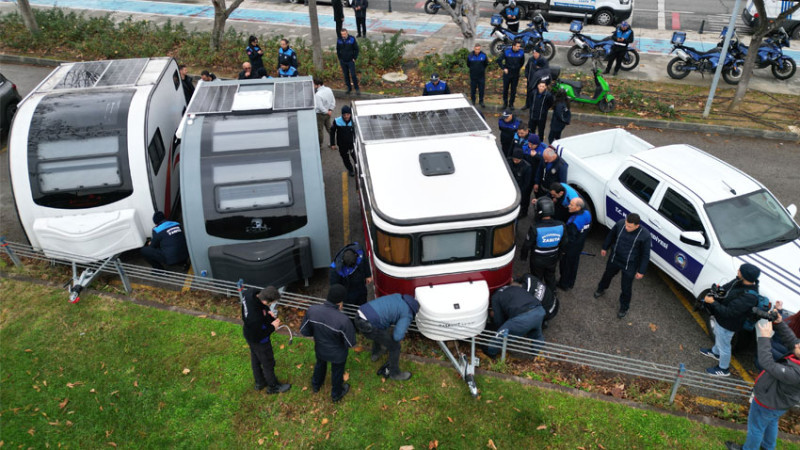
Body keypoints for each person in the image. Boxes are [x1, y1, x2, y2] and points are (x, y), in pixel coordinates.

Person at [724, 307, 800, 450]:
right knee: (771, 422)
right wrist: (780, 323)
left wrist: (764, 338)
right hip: (780, 402)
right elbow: (793, 342)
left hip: (768, 401)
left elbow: (767, 363)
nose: (798, 344)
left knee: (756, 427)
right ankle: (768, 447)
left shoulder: (796, 373)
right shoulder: (798, 353)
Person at [699, 264, 761, 377]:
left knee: (725, 346)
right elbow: (726, 290)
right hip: (721, 320)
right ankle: (715, 352)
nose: (738, 271)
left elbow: (729, 313)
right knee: (719, 337)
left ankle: (723, 368)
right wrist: (717, 292)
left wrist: (712, 302)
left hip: (728, 324)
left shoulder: (749, 297)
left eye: (740, 271)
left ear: (745, 276)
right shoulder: (739, 281)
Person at [301, 285, 356, 402]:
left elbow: (304, 331)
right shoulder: (344, 320)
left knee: (320, 365)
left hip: (320, 348)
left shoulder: (312, 310)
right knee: (337, 372)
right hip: (338, 354)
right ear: (340, 303)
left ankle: (316, 385)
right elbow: (350, 343)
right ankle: (336, 394)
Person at [593, 213, 651, 319]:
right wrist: (605, 247)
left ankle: (624, 307)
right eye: (626, 224)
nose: (627, 228)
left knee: (626, 287)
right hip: (615, 258)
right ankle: (601, 289)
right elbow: (611, 235)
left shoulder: (645, 235)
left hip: (630, 265)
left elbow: (645, 255)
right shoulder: (620, 224)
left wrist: (641, 271)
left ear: (637, 226)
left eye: (630, 226)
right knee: (607, 275)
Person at [355, 293, 420, 381]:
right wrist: (402, 332)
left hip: (360, 314)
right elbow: (397, 336)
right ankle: (395, 374)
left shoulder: (398, 297)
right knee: (395, 346)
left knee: (380, 332)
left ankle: (376, 353)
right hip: (369, 325)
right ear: (413, 311)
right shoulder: (407, 313)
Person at [241, 286, 292, 394]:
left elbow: (260, 308)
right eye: (270, 303)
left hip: (248, 333)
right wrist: (273, 326)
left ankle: (260, 382)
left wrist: (267, 311)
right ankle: (273, 387)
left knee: (255, 358)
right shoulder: (255, 317)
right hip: (259, 340)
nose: (270, 305)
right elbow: (260, 334)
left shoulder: (250, 293)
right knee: (268, 362)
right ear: (265, 300)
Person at [484, 281, 546, 357]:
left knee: (500, 334)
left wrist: (500, 328)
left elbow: (498, 319)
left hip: (524, 317)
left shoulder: (495, 297)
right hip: (539, 311)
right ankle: (538, 355)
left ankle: (491, 354)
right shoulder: (514, 287)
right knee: (536, 334)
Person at [520, 197, 566, 292]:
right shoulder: (561, 225)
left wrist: (523, 256)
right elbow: (564, 243)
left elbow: (527, 244)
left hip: (537, 260)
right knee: (550, 276)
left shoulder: (535, 228)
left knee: (537, 279)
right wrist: (559, 255)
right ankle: (552, 293)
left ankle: (538, 296)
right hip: (552, 258)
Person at [558, 197, 591, 291]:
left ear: (578, 207)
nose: (569, 206)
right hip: (580, 245)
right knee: (574, 265)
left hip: (571, 248)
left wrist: (563, 250)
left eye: (571, 205)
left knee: (565, 266)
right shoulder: (587, 214)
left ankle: (563, 284)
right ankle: (570, 283)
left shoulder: (574, 222)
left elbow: (569, 238)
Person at [496, 40, 525, 110]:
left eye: (519, 46)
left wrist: (517, 68)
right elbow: (499, 60)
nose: (519, 47)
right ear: (513, 46)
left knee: (513, 89)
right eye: (517, 46)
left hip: (515, 74)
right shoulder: (506, 52)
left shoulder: (521, 53)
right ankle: (505, 103)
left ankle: (511, 104)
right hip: (507, 73)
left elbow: (522, 62)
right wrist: (504, 68)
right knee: (505, 89)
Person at [330, 105, 357, 177]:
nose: (346, 116)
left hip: (352, 144)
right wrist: (332, 143)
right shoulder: (337, 121)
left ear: (350, 114)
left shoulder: (354, 121)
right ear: (342, 115)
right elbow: (332, 132)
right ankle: (351, 170)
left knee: (356, 158)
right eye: (344, 115)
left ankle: (358, 169)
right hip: (342, 144)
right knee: (345, 159)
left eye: (348, 114)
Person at [508, 147, 533, 217]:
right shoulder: (509, 161)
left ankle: (523, 213)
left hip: (521, 188)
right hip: (511, 186)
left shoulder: (527, 167)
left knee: (523, 202)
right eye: (514, 159)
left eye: (517, 160)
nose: (515, 161)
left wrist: (520, 191)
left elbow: (527, 182)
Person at [336, 28, 360, 95]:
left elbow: (356, 49)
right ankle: (349, 88)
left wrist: (354, 58)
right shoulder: (339, 40)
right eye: (342, 34)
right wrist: (340, 58)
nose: (343, 35)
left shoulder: (352, 39)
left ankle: (357, 88)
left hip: (350, 60)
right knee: (346, 75)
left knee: (353, 74)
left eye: (344, 34)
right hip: (343, 61)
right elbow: (338, 49)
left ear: (347, 33)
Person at [314, 77, 336, 148]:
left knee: (320, 130)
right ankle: (333, 142)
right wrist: (330, 110)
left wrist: (326, 111)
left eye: (314, 84)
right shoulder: (329, 89)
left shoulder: (318, 94)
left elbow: (320, 106)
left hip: (320, 114)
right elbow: (333, 101)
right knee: (329, 128)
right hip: (328, 112)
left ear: (318, 85)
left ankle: (319, 145)